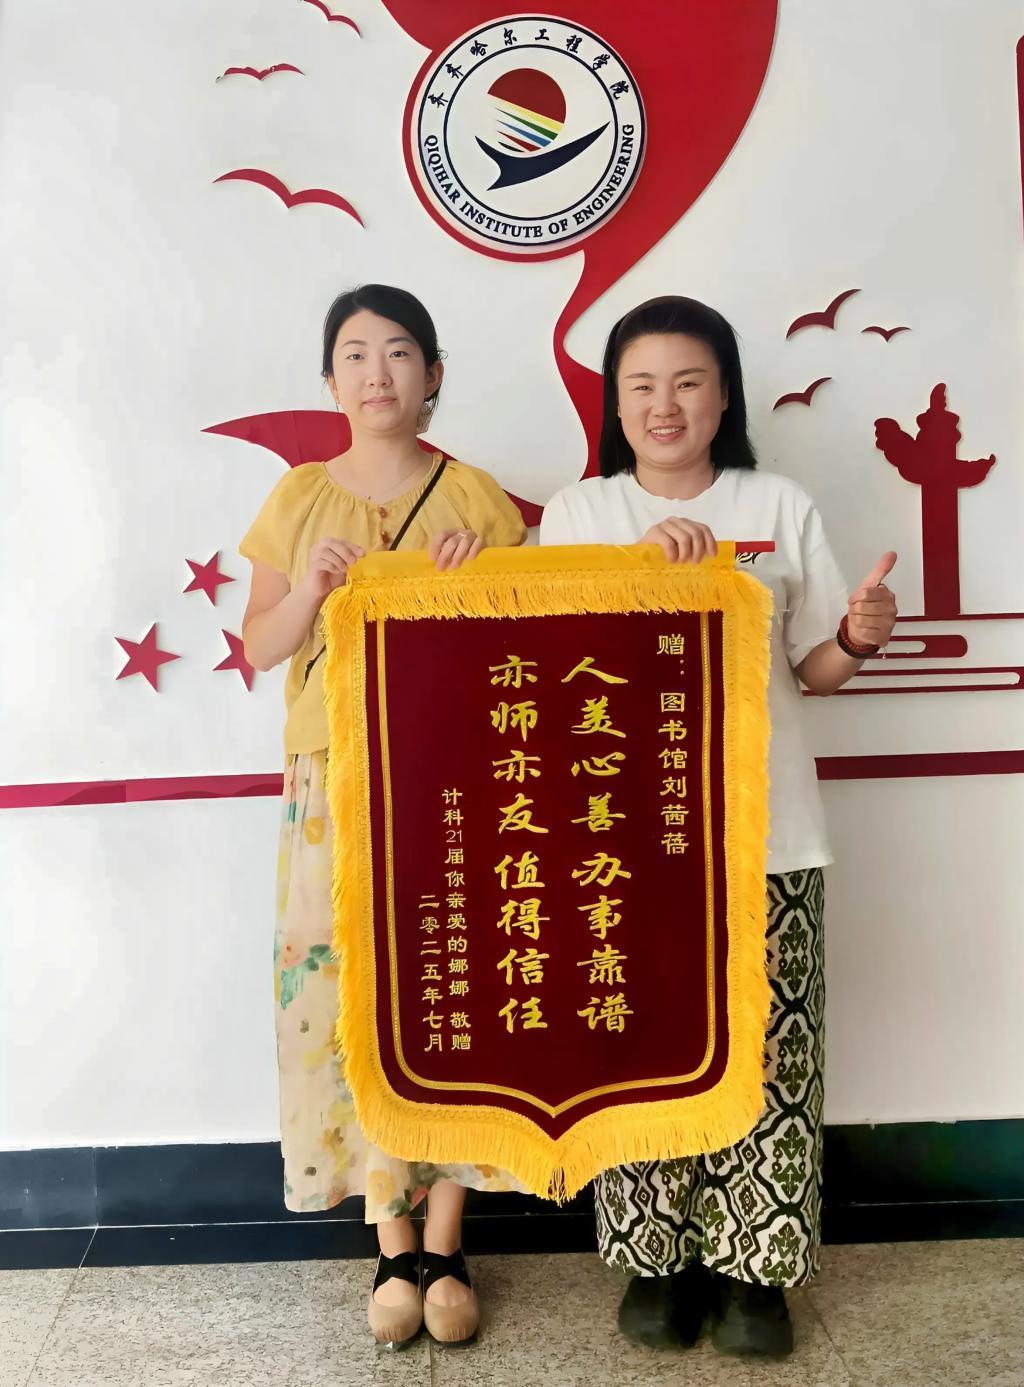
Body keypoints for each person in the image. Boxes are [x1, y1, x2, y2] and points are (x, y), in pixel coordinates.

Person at [540, 295, 897, 1359]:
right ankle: (656, 1263)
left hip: (767, 833)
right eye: (641, 385)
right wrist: (645, 574)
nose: (665, 404)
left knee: (771, 1050)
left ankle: (758, 1275)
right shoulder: (579, 513)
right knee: (635, 1044)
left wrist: (857, 637)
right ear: (615, 404)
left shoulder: (776, 504)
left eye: (688, 381)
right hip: (621, 844)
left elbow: (813, 671)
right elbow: (554, 673)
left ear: (725, 394)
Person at [240, 284, 527, 1349]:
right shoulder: (297, 496)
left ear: (433, 374)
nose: (377, 373)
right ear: (329, 380)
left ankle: (446, 1241)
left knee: (454, 988)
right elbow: (259, 647)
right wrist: (311, 590)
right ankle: (390, 1242)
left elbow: (522, 653)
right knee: (345, 994)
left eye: (399, 352)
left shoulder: (477, 497)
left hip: (449, 773)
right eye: (355, 354)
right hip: (332, 776)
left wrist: (479, 585)